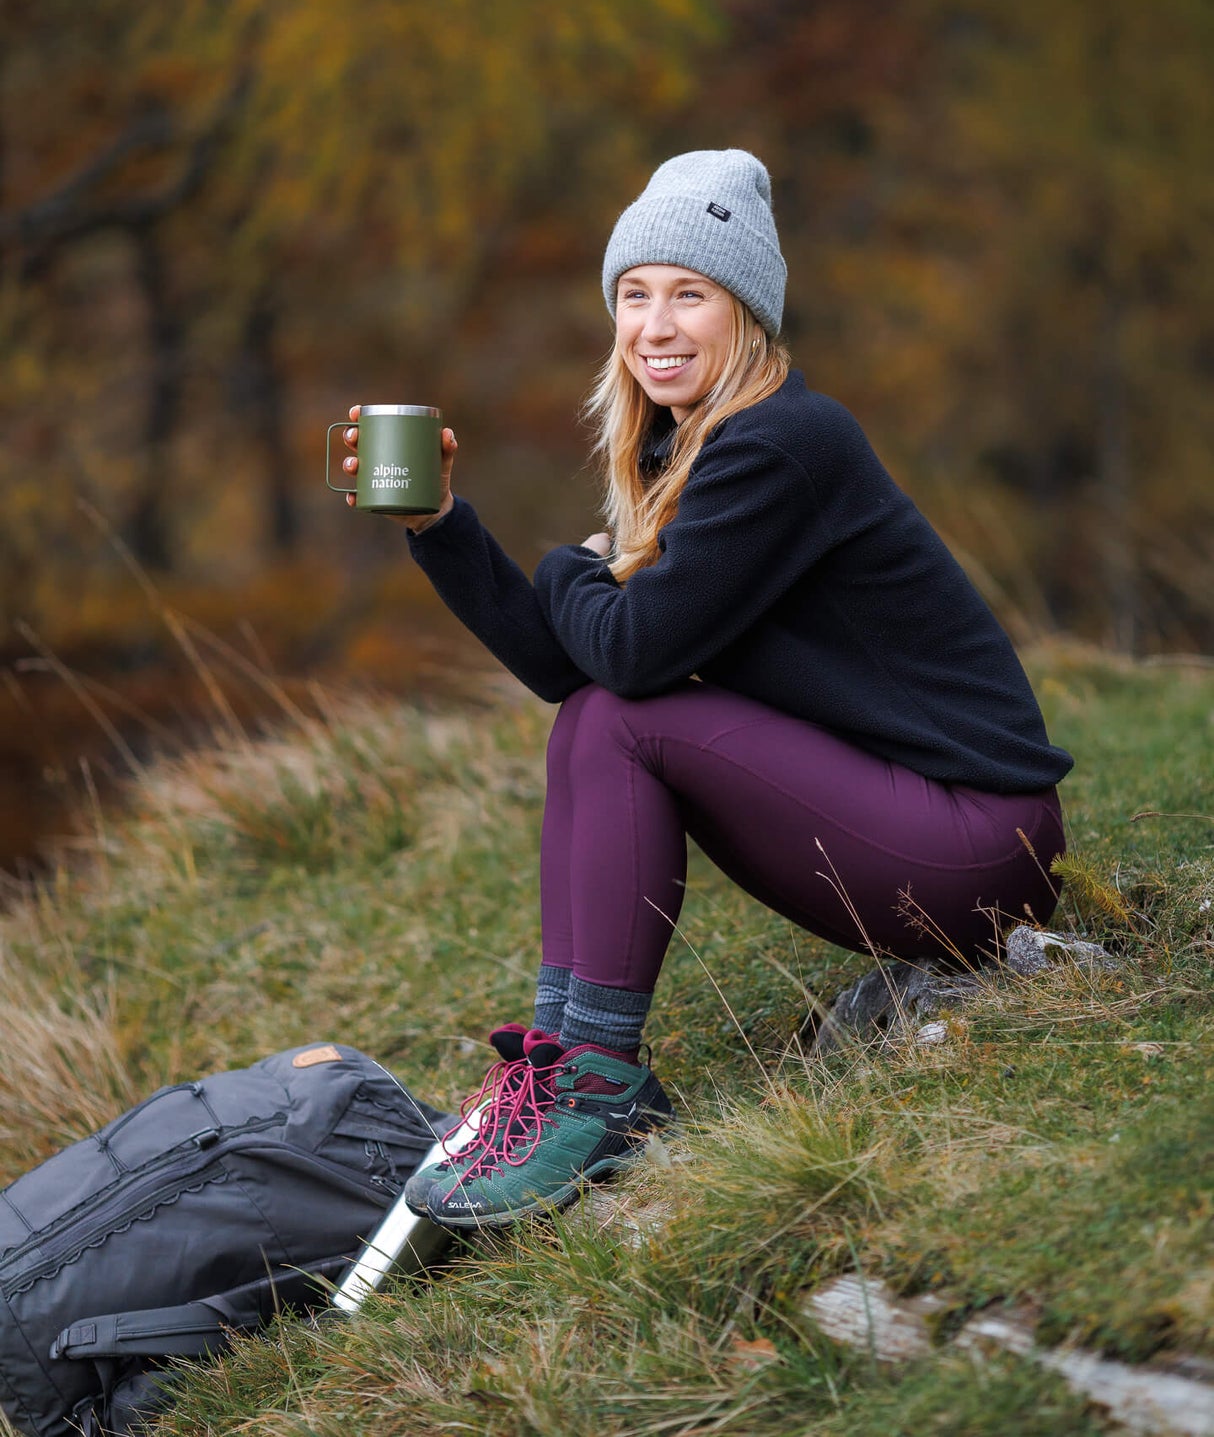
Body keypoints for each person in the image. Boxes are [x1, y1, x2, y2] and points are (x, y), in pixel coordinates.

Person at [339, 148, 1072, 1230]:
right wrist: (438, 526)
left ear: (748, 316)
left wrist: (568, 568)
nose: (656, 324)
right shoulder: (689, 451)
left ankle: (592, 1082)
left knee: (622, 719)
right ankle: (559, 1069)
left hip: (973, 847)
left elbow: (628, 658)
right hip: (911, 830)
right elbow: (569, 668)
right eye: (634, 296)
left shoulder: (783, 444)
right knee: (598, 715)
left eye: (690, 294)